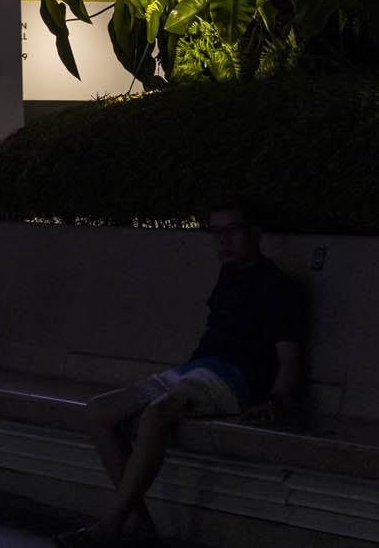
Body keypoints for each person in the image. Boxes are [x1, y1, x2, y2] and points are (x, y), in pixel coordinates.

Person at [55, 200, 306, 546]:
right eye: (215, 232)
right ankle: (139, 525)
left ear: (254, 233)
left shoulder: (277, 287)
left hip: (234, 380)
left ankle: (111, 525)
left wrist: (276, 400)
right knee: (99, 411)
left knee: (156, 415)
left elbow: (288, 357)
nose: (222, 241)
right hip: (196, 370)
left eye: (231, 231)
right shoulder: (229, 276)